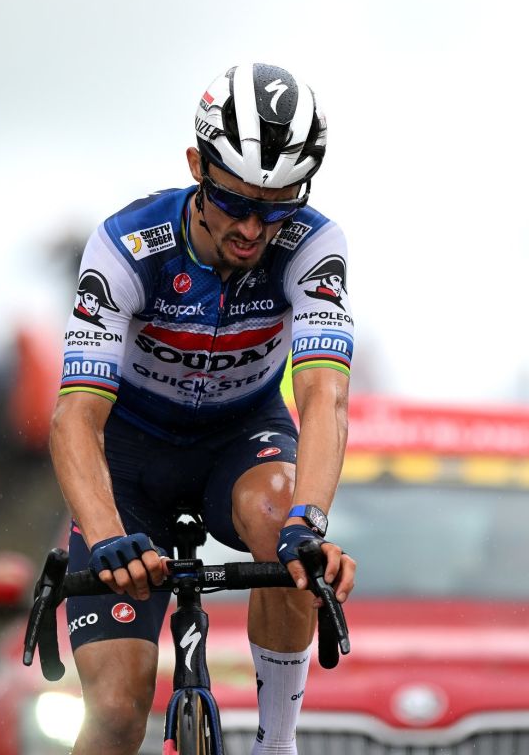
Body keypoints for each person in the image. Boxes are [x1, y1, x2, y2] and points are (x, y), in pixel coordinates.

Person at [49, 63, 357, 754]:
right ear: (197, 166)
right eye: (235, 201)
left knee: (284, 523)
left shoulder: (313, 245)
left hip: (241, 440)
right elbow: (75, 417)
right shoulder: (127, 246)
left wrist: (309, 521)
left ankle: (277, 744)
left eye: (277, 208)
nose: (253, 228)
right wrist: (106, 537)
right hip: (130, 458)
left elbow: (323, 395)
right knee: (117, 712)